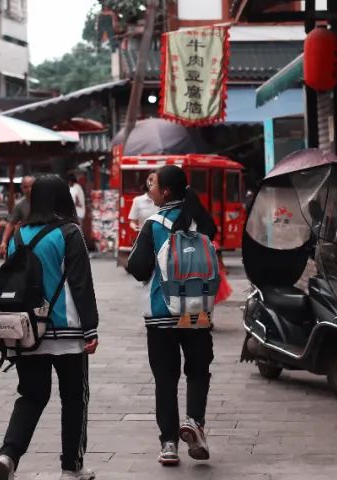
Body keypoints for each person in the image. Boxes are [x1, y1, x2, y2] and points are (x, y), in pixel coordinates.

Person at [0, 175, 99, 480]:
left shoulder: (19, 236)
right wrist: (91, 328)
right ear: (64, 198)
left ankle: (8, 455)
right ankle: (71, 467)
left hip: (27, 332)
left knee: (31, 396)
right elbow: (81, 285)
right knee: (74, 399)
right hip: (66, 332)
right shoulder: (70, 233)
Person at [127, 164, 218, 467]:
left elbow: (138, 268)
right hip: (196, 310)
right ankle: (195, 423)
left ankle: (168, 444)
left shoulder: (154, 224)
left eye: (152, 184)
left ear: (165, 191)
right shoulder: (202, 222)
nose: (148, 189)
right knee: (198, 370)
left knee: (166, 379)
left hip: (161, 313)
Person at [0, 175, 35, 254]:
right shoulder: (19, 205)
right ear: (22, 188)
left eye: (31, 186)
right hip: (27, 239)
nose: (29, 189)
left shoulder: (45, 201)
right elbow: (10, 224)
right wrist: (4, 242)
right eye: (26, 187)